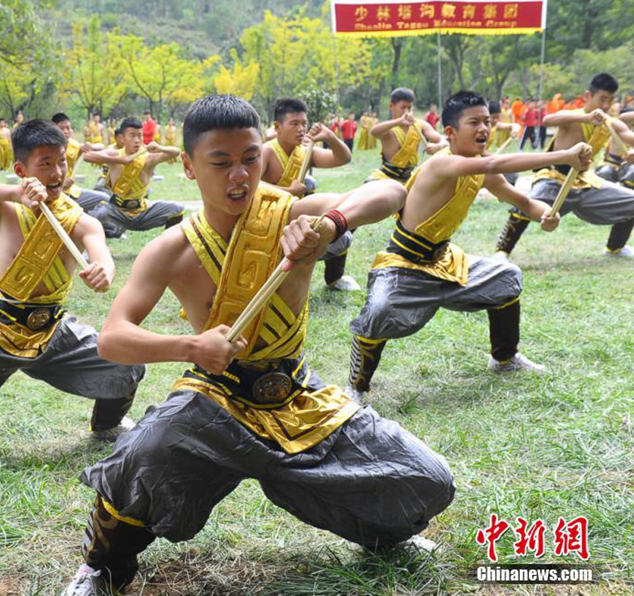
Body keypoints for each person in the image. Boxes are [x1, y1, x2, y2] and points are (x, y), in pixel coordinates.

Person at [66, 95, 454, 596]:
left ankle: (384, 534)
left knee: (428, 477)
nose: (240, 176)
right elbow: (113, 337)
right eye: (221, 162)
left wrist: (329, 226)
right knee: (138, 459)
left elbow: (391, 194)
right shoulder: (173, 248)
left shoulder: (293, 215)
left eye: (251, 158)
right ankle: (101, 568)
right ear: (187, 166)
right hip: (217, 396)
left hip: (295, 394)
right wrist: (190, 347)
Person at [0, 119, 145, 469]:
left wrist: (104, 270)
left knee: (127, 361)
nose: (57, 171)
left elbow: (98, 245)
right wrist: (15, 192)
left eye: (61, 161)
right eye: (45, 163)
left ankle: (107, 425)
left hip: (52, 330)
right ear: (21, 169)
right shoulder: (4, 207)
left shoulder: (75, 217)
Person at [347, 91, 591, 398]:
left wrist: (546, 214)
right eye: (474, 122)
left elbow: (523, 201)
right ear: (450, 132)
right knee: (379, 311)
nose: (484, 129)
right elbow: (494, 165)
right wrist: (562, 156)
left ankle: (504, 358)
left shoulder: (479, 168)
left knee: (507, 278)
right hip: (404, 263)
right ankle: (355, 387)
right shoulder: (442, 164)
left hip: (445, 260)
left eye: (487, 122)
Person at [495, 73, 634, 259]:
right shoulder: (572, 117)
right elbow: (547, 120)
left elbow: (629, 138)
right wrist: (586, 119)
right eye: (602, 99)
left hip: (585, 182)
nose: (606, 106)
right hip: (554, 179)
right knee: (526, 204)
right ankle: (502, 253)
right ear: (587, 96)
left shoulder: (611, 123)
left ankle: (615, 249)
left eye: (610, 100)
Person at [261, 98, 357, 291]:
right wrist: (289, 192)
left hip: (296, 220)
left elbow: (343, 158)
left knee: (342, 233)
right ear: (277, 126)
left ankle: (334, 278)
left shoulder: (306, 151)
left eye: (304, 123)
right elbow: (252, 186)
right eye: (294, 124)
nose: (301, 129)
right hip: (267, 225)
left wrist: (329, 137)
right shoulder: (266, 151)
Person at [83, 117, 184, 238]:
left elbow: (176, 152)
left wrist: (160, 148)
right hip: (116, 211)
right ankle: (108, 234)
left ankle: (168, 246)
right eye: (132, 136)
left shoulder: (148, 158)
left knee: (177, 209)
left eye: (139, 136)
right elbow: (87, 156)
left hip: (142, 212)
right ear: (122, 138)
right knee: (90, 219)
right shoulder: (115, 154)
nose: (137, 140)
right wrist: (120, 160)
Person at [367, 88, 447, 185]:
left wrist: (437, 146)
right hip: (386, 178)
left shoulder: (420, 124)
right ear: (392, 106)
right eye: (403, 107)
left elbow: (443, 140)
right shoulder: (387, 128)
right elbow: (373, 132)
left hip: (410, 179)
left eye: (409, 108)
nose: (406, 112)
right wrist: (398, 121)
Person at [51, 112, 110, 216]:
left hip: (73, 192)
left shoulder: (73, 144)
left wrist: (89, 146)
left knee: (105, 199)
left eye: (68, 128)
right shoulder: (46, 149)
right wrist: (61, 184)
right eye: (62, 128)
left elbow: (100, 146)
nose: (66, 131)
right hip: (54, 196)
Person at [595, 107, 634, 187]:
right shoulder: (619, 127)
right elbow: (623, 117)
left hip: (629, 170)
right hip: (613, 165)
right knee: (605, 172)